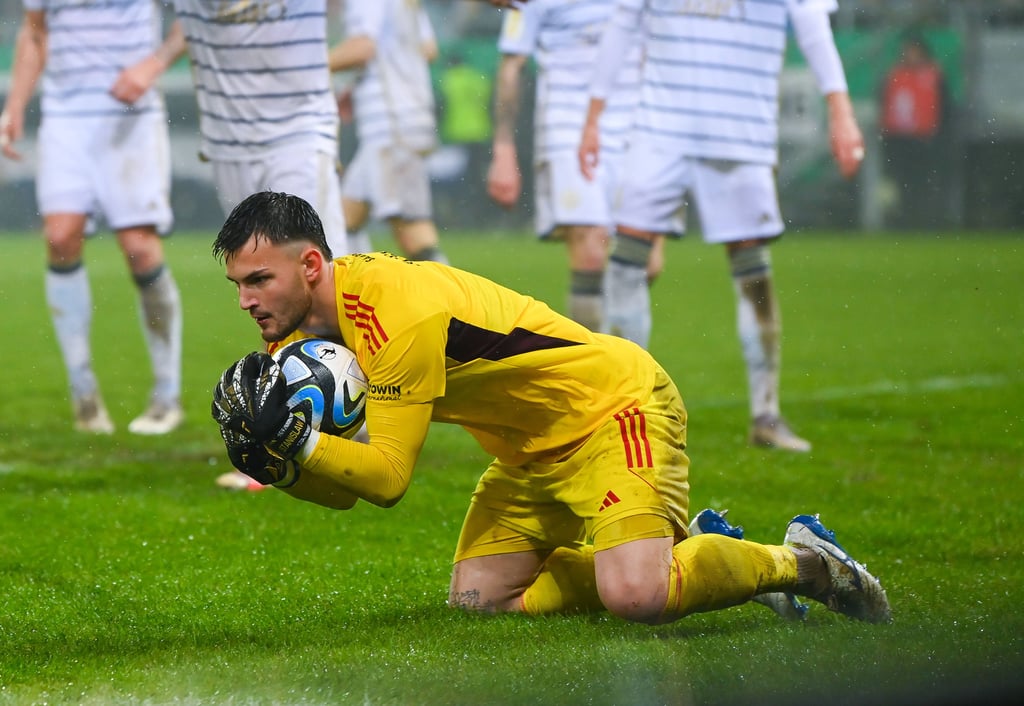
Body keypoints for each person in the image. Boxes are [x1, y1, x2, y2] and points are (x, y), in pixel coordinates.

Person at [209, 190, 891, 627]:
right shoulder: (303, 340)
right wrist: (277, 467)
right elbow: (347, 493)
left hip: (612, 408)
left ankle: (803, 564)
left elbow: (386, 480)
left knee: (638, 600)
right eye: (240, 284)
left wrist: (297, 444)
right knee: (481, 605)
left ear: (311, 266)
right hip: (529, 453)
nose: (247, 300)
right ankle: (684, 552)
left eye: (259, 280)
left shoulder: (394, 314)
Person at [579, 0, 865, 453]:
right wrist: (594, 115)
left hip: (739, 129)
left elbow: (811, 20)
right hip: (661, 128)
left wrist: (840, 108)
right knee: (627, 258)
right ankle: (620, 410)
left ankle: (765, 415)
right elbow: (623, 22)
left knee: (751, 267)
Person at [0, 0, 184, 435]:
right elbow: (34, 32)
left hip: (133, 115)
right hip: (66, 117)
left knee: (139, 247)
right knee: (60, 237)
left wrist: (154, 64)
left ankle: (166, 395)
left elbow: (195, 18)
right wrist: (14, 107)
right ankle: (84, 397)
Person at [486, 0, 662, 334]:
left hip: (638, 124)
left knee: (644, 265)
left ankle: (627, 369)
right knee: (591, 252)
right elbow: (512, 66)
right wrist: (504, 149)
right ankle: (597, 376)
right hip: (567, 124)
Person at [126, 1, 349, 258]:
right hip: (229, 143)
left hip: (298, 130)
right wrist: (156, 61)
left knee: (312, 256)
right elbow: (184, 25)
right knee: (253, 261)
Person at [328, 0, 448, 263]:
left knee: (412, 230)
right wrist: (362, 82)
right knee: (342, 220)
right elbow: (428, 49)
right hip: (401, 120)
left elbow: (363, 47)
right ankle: (361, 291)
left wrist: (309, 70)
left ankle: (456, 304)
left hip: (391, 126)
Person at [879, 31, 951, 229]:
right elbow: (884, 102)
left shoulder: (933, 74)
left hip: (924, 138)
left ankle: (926, 220)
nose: (910, 55)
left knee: (924, 181)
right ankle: (901, 221)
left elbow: (944, 106)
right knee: (900, 182)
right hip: (898, 138)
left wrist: (940, 134)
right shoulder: (895, 74)